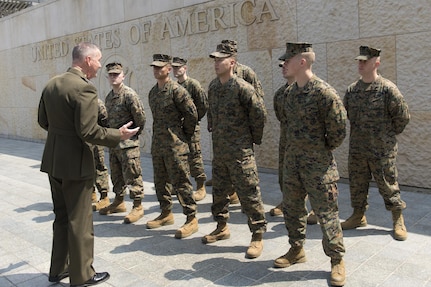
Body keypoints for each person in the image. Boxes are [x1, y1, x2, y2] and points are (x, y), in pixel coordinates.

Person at [37, 42, 139, 287]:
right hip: (75, 164)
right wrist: (118, 135)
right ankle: (82, 275)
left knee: (61, 217)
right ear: (87, 60)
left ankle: (58, 270)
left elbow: (43, 121)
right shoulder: (85, 89)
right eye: (98, 59)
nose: (101, 65)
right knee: (80, 221)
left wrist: (62, 138)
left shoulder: (52, 84)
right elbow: (89, 131)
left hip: (53, 161)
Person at [273, 42, 346, 286]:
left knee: (327, 215)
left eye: (288, 60)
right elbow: (285, 122)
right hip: (292, 164)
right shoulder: (287, 95)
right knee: (293, 210)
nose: (283, 64)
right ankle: (296, 249)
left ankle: (336, 259)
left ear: (302, 62)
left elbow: (338, 131)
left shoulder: (324, 93)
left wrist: (318, 150)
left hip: (318, 167)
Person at [202, 41, 267, 259]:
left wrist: (251, 140)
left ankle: (257, 235)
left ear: (232, 62)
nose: (217, 63)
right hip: (220, 151)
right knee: (219, 192)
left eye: (221, 59)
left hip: (240, 152)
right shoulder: (213, 86)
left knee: (249, 193)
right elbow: (210, 111)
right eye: (215, 59)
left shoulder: (242, 87)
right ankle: (221, 227)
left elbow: (259, 114)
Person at [341, 46, 410, 241]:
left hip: (382, 150)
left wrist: (386, 137)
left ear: (376, 63)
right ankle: (358, 215)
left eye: (365, 61)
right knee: (357, 184)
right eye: (359, 61)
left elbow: (402, 118)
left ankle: (398, 218)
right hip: (357, 149)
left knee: (388, 185)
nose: (361, 64)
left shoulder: (387, 89)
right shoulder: (352, 91)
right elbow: (346, 115)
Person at [206, 39, 265, 205]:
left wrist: (252, 135)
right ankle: (231, 191)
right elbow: (213, 105)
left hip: (240, 133)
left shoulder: (246, 74)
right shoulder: (217, 81)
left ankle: (239, 192)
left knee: (243, 170)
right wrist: (211, 122)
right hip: (222, 135)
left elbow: (257, 103)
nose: (217, 62)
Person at [146, 54, 199, 239]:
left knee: (181, 182)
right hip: (158, 145)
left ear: (169, 69)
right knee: (160, 181)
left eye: (160, 67)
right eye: (154, 67)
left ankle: (191, 218)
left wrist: (183, 135)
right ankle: (165, 213)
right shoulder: (153, 92)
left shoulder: (177, 91)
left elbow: (192, 114)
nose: (156, 70)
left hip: (175, 146)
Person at [269, 61, 318, 225]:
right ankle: (288, 201)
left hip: (310, 145)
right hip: (287, 141)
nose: (283, 68)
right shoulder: (280, 94)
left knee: (313, 177)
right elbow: (281, 117)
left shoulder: (312, 90)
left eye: (286, 65)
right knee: (286, 174)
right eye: (281, 66)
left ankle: (317, 208)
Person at [98, 62, 146, 224]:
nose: (113, 77)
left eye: (116, 74)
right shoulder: (109, 97)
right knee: (117, 175)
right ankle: (119, 202)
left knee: (133, 174)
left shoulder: (129, 95)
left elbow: (140, 118)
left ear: (123, 76)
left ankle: (138, 206)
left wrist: (133, 136)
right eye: (111, 75)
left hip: (128, 145)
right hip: (115, 144)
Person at [172, 56, 209, 201]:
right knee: (180, 157)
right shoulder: (174, 86)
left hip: (192, 127)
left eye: (178, 67)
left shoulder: (193, 85)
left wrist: (193, 120)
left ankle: (200, 185)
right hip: (179, 128)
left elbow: (203, 105)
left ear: (185, 68)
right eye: (174, 68)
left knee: (194, 156)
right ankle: (184, 185)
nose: (176, 70)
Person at [91, 98, 112, 211]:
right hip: (81, 141)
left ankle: (104, 196)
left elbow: (105, 120)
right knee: (85, 167)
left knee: (99, 167)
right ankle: (91, 193)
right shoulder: (77, 101)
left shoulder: (97, 102)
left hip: (96, 140)